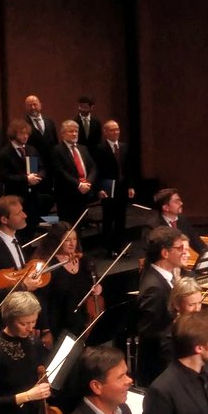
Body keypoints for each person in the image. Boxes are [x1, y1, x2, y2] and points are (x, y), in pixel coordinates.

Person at [0, 196, 44, 338]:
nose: (25, 215)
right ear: (4, 220)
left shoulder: (15, 239)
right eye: (18, 213)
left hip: (21, 319)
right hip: (4, 325)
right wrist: (22, 286)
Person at [135, 226, 187, 387]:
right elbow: (152, 333)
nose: (184, 252)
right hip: (160, 370)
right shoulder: (154, 288)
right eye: (179, 248)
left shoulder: (165, 276)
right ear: (165, 253)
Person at [35, 222, 100, 339]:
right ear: (56, 241)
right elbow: (41, 300)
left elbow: (95, 280)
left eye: (74, 239)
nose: (72, 244)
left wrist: (98, 287)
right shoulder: (48, 265)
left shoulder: (84, 260)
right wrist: (45, 329)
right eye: (67, 240)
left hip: (83, 322)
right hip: (58, 325)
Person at [92, 119, 135, 255]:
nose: (116, 132)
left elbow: (129, 169)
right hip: (108, 188)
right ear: (105, 132)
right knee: (109, 218)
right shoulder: (99, 149)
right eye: (112, 130)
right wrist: (99, 189)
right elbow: (96, 171)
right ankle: (109, 248)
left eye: (117, 129)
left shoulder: (124, 147)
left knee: (121, 218)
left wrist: (130, 186)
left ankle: (119, 246)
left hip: (122, 187)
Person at [0, 118, 48, 229]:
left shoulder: (32, 150)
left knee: (33, 224)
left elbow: (42, 168)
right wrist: (26, 179)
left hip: (33, 197)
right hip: (16, 196)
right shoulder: (4, 153)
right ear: (13, 134)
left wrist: (38, 177)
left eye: (27, 133)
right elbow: (4, 177)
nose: (25, 136)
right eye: (22, 133)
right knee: (20, 229)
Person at [52, 120, 97, 223]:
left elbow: (93, 167)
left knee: (81, 226)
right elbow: (60, 172)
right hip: (67, 195)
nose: (74, 134)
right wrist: (79, 184)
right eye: (70, 131)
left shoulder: (83, 148)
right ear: (62, 134)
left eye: (76, 131)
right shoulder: (57, 150)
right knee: (69, 227)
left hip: (84, 193)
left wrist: (88, 182)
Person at [151, 188, 206, 257]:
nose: (181, 203)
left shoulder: (182, 220)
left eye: (180, 200)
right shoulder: (155, 227)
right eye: (177, 201)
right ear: (166, 207)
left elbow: (197, 243)